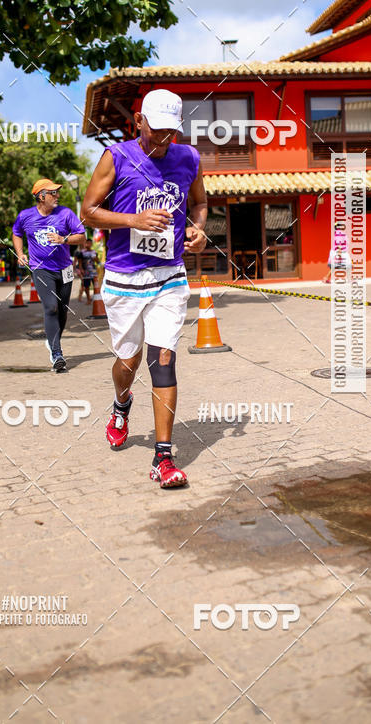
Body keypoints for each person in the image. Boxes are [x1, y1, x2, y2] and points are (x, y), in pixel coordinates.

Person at [81, 88, 207, 488]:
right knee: (128, 361)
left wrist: (198, 229)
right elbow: (88, 212)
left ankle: (163, 458)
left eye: (171, 131)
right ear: (139, 121)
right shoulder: (116, 157)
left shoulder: (189, 158)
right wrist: (132, 220)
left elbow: (199, 203)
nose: (163, 138)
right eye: (156, 129)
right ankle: (122, 404)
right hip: (124, 277)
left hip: (169, 276)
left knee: (163, 359)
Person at [12, 178, 85, 372]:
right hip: (41, 268)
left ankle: (53, 341)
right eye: (53, 193)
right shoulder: (26, 216)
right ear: (41, 196)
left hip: (65, 269)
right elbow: (16, 232)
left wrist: (63, 239)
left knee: (62, 310)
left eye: (57, 192)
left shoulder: (66, 213)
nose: (57, 196)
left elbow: (82, 236)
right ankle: (57, 353)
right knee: (51, 307)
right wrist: (20, 253)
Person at [79, 237, 98, 304]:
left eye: (90, 243)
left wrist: (95, 258)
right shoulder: (82, 252)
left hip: (93, 271)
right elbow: (80, 262)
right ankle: (88, 299)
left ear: (91, 244)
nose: (88, 244)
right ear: (85, 243)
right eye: (87, 243)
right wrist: (81, 269)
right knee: (86, 286)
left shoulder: (94, 252)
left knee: (95, 285)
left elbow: (97, 261)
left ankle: (96, 299)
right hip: (86, 272)